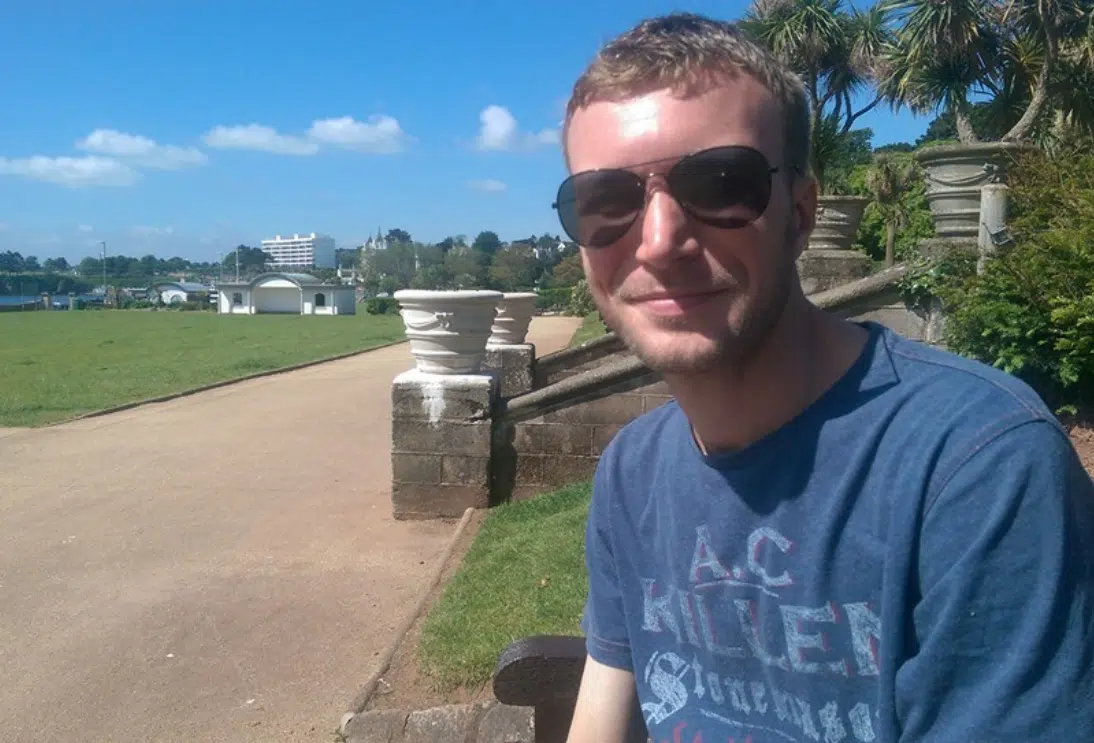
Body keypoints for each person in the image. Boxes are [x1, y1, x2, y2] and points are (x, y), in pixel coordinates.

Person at [553, 12, 1094, 743]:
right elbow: (603, 716)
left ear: (801, 213)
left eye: (721, 182)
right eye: (606, 200)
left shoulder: (978, 464)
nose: (660, 240)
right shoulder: (632, 471)